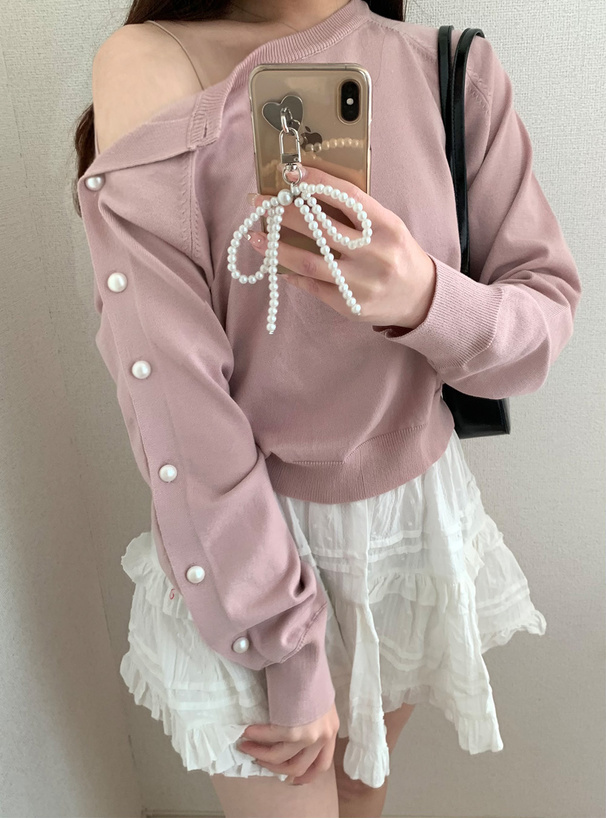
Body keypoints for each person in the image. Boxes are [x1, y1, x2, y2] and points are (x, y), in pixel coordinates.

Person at [73, 1, 581, 816]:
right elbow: (172, 386)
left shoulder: (449, 69)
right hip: (247, 547)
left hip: (411, 534)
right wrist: (285, 646)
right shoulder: (151, 63)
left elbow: (541, 322)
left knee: (358, 798)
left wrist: (422, 297)